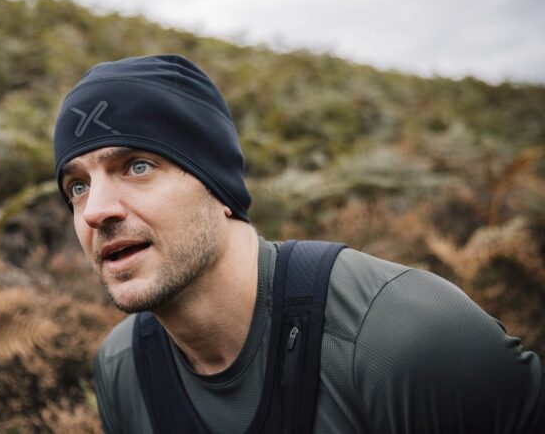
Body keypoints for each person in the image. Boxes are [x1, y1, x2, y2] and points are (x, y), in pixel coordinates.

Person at [52, 54, 544, 433]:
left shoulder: (405, 339)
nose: (96, 211)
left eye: (138, 166)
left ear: (218, 187)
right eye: (77, 186)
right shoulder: (123, 369)